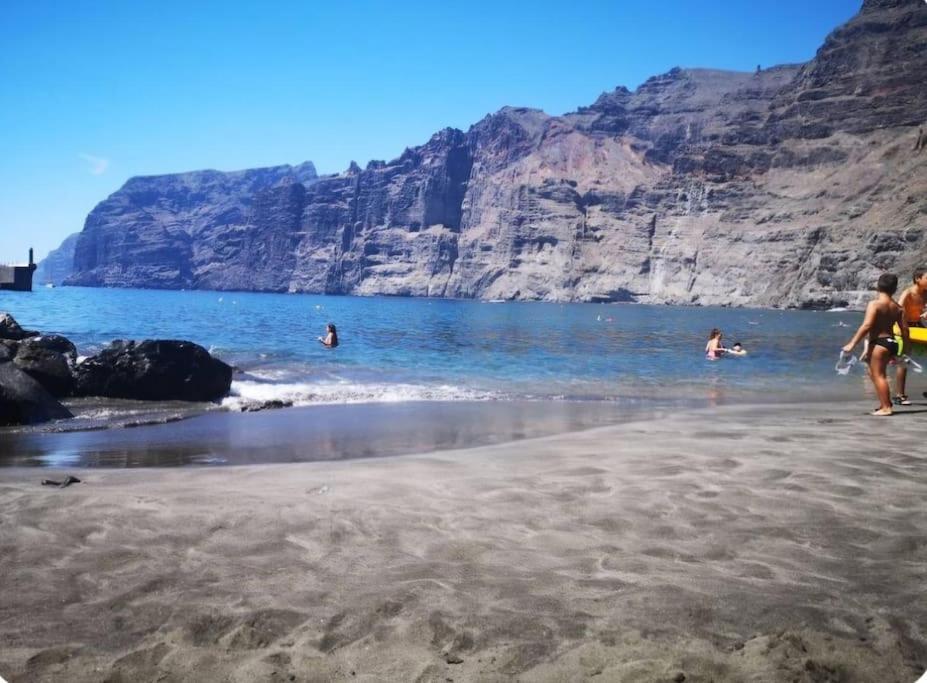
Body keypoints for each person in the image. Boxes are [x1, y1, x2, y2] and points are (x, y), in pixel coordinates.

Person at [843, 273, 909, 416]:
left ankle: (886, 407)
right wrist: (904, 350)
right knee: (873, 372)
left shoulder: (875, 304)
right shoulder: (898, 308)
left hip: (879, 343)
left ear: (878, 287)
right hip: (892, 343)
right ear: (895, 289)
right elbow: (905, 330)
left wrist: (852, 343)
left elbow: (867, 325)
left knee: (879, 375)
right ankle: (885, 402)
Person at [893, 267, 927, 405]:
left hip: (918, 325)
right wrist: (903, 329)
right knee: (904, 359)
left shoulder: (926, 293)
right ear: (918, 279)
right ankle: (899, 395)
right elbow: (898, 309)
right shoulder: (908, 293)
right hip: (903, 326)